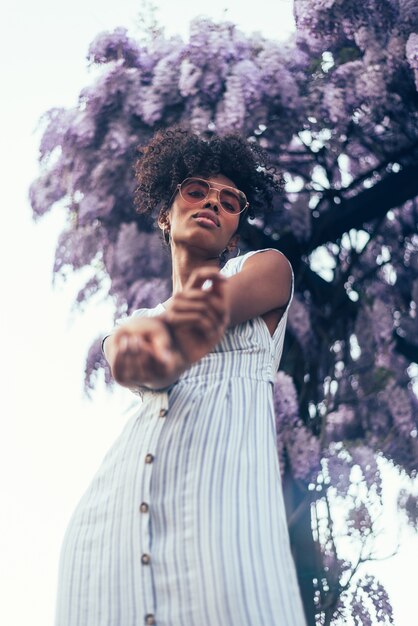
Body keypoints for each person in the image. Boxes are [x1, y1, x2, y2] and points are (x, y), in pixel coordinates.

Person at [54, 128, 307, 626]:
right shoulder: (129, 326)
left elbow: (190, 330)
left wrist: (151, 347)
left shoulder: (265, 270)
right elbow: (131, 359)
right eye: (196, 190)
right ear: (165, 214)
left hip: (219, 522)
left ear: (233, 233)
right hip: (110, 537)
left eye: (229, 200)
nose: (212, 200)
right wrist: (135, 349)